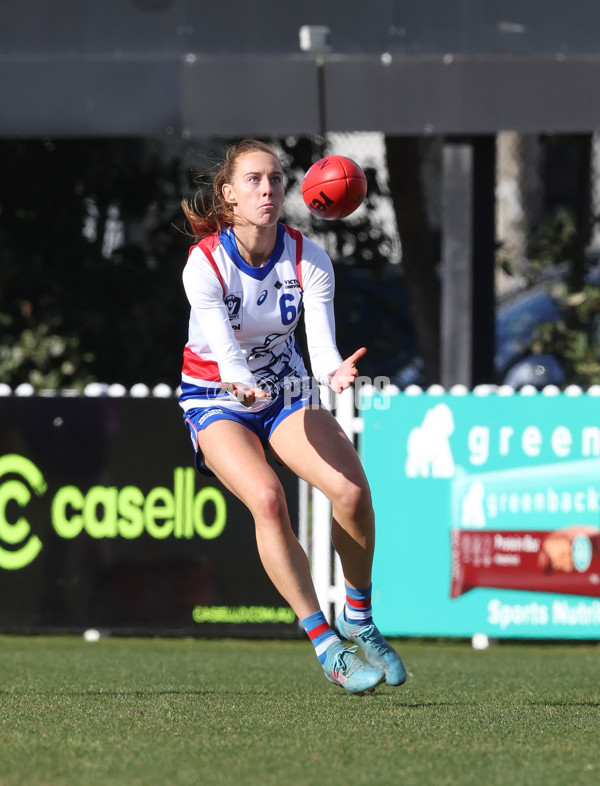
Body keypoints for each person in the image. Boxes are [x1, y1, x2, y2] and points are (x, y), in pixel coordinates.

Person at [179, 139, 406, 696]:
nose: (268, 189)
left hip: (284, 390)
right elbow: (227, 357)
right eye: (254, 180)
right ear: (228, 196)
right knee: (267, 499)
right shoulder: (204, 261)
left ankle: (358, 615)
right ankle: (326, 643)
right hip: (216, 395)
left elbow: (322, 348)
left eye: (276, 179)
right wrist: (239, 381)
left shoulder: (308, 256)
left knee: (351, 493)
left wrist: (334, 374)